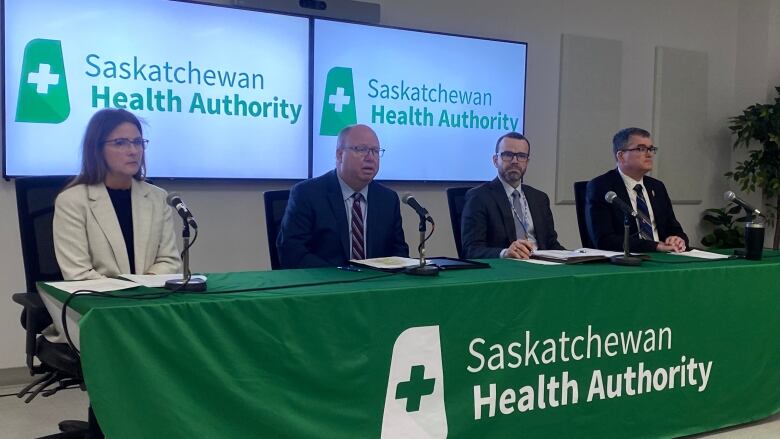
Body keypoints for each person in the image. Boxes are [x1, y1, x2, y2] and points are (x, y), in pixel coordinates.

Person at [53, 108, 181, 280]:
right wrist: (127, 293)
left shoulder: (157, 198)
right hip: (98, 301)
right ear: (97, 149)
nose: (133, 151)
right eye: (120, 143)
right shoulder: (72, 201)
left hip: (150, 298)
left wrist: (144, 286)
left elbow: (169, 261)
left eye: (137, 142)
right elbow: (79, 273)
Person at [277, 124, 409, 268]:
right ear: (340, 155)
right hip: (326, 285)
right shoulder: (307, 194)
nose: (370, 158)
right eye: (362, 149)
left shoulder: (387, 199)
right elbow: (292, 252)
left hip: (375, 284)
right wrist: (341, 276)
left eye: (375, 151)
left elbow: (399, 254)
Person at [461, 132, 564, 259]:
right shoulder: (479, 197)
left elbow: (551, 244)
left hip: (543, 268)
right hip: (505, 271)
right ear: (495, 160)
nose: (515, 161)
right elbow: (471, 250)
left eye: (521, 156)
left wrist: (576, 256)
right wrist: (505, 253)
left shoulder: (540, 198)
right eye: (508, 155)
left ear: (527, 161)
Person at [585, 127, 688, 253]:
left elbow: (675, 229)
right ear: (621, 156)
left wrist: (678, 239)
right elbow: (604, 240)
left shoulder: (657, 187)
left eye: (651, 149)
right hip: (626, 261)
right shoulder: (601, 187)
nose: (649, 154)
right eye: (641, 149)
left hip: (664, 257)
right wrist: (654, 246)